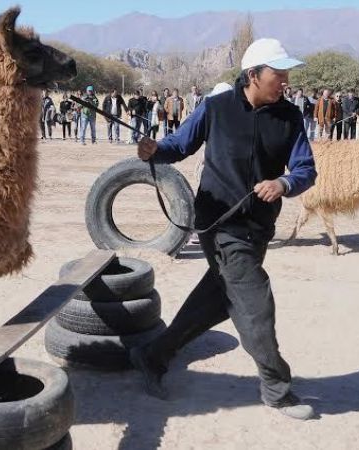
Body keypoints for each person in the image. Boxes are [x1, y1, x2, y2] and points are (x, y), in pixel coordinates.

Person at [131, 38, 317, 421]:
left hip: (259, 227)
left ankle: (152, 356)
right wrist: (155, 150)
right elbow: (177, 146)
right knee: (255, 303)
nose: (285, 82)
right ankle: (277, 389)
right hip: (219, 225)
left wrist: (283, 184)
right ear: (253, 75)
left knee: (217, 300)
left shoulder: (290, 117)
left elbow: (305, 170)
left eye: (286, 75)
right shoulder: (215, 107)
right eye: (277, 75)